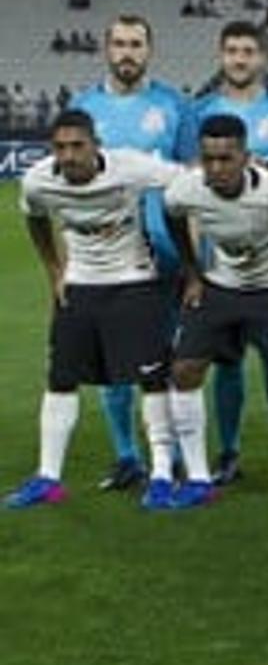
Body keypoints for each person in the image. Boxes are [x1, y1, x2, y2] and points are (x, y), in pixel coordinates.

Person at [7, 111, 183, 508]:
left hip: (134, 283)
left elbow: (181, 182)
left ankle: (160, 475)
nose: (68, 156)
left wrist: (185, 255)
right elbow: (34, 218)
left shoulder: (130, 168)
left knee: (152, 380)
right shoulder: (38, 180)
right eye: (60, 148)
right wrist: (55, 272)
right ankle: (48, 477)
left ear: (95, 146)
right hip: (81, 286)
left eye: (77, 146)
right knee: (61, 379)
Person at [161, 115, 268, 512]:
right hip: (220, 287)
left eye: (226, 158)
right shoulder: (187, 189)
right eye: (208, 159)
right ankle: (199, 477)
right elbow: (172, 214)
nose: (216, 168)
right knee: (184, 370)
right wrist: (191, 271)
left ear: (246, 157)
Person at [184, 20, 268, 485]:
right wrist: (196, 268)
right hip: (220, 267)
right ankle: (229, 451)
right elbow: (191, 193)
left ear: (262, 59)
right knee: (226, 363)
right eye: (232, 51)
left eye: (248, 51)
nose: (240, 59)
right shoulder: (198, 113)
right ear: (221, 57)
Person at [72, 15, 192, 492]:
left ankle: (178, 453)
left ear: (150, 50)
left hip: (164, 251)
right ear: (106, 48)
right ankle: (127, 456)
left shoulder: (175, 106)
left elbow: (189, 180)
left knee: (169, 355)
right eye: (119, 43)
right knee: (111, 362)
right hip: (103, 257)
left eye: (136, 44)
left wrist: (193, 254)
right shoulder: (84, 106)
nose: (127, 52)